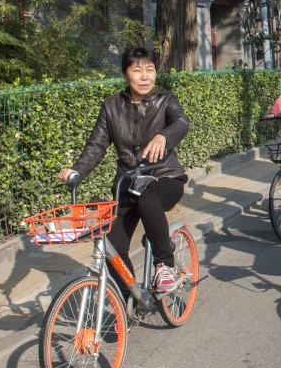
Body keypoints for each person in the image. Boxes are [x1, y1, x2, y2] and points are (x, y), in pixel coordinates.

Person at [59, 47, 190, 293]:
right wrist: (76, 170)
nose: (144, 77)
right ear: (124, 74)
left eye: (149, 70)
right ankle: (130, 301)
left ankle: (165, 265)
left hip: (165, 178)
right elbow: (96, 146)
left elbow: (181, 122)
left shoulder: (166, 100)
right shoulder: (111, 106)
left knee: (149, 201)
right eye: (137, 70)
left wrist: (164, 136)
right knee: (113, 249)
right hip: (127, 185)